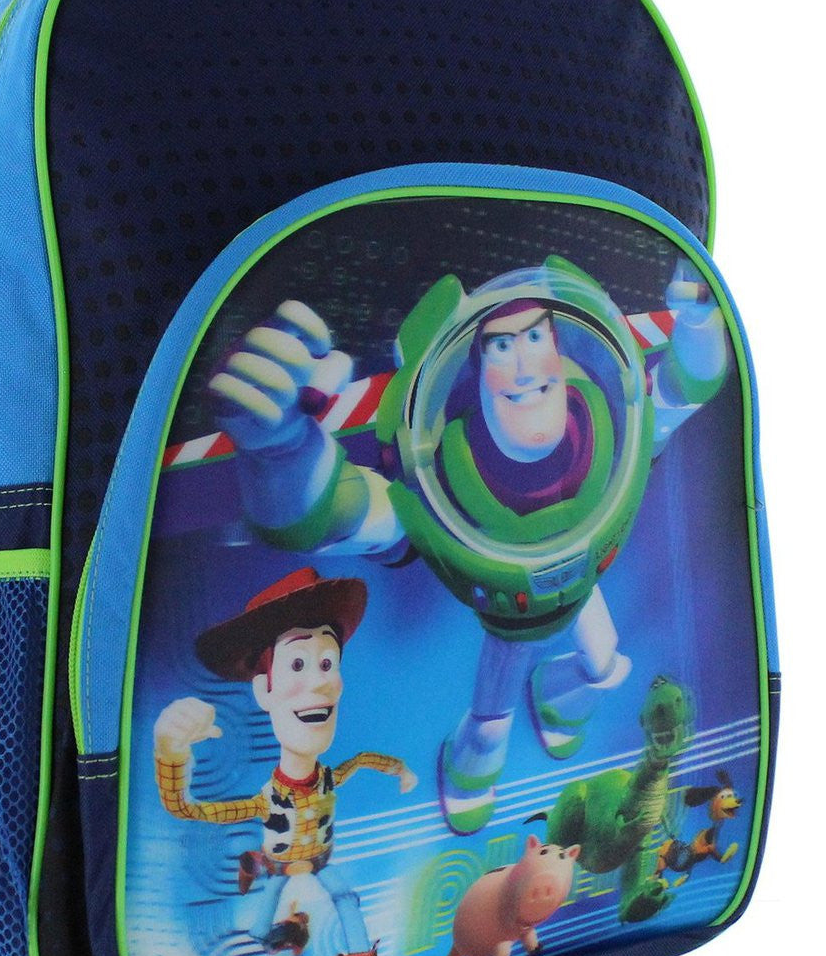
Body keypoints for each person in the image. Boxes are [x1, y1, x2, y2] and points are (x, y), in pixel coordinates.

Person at [207, 256, 728, 834]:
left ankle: (559, 696)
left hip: (582, 588)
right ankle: (475, 753)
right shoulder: (438, 476)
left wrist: (700, 323)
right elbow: (340, 515)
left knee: (605, 665)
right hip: (506, 623)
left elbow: (682, 391)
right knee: (491, 717)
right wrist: (281, 452)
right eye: (501, 346)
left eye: (535, 337)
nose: (525, 366)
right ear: (476, 372)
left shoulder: (611, 423)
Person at [154, 566, 418, 956]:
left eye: (327, 663)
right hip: (280, 865)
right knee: (259, 930)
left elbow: (362, 760)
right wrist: (170, 751)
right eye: (297, 664)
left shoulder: (328, 778)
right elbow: (187, 810)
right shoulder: (267, 801)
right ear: (264, 690)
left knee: (347, 899)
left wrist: (400, 770)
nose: (319, 682)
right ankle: (270, 900)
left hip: (320, 861)